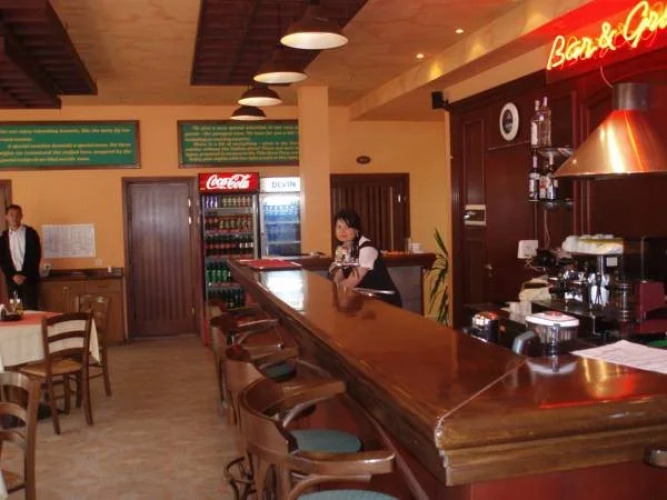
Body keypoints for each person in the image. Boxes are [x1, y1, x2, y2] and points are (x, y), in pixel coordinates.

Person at [329, 209, 402, 308]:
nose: (342, 231)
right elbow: (337, 277)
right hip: (364, 301)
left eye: (347, 227)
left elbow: (352, 281)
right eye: (339, 227)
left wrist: (332, 294)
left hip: (384, 301)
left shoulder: (367, 248)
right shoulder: (341, 249)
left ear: (357, 229)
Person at [0, 204, 42, 310]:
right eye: (11, 215)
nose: (14, 218)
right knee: (16, 310)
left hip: (29, 278)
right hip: (12, 280)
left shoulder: (31, 234)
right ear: (6, 217)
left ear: (21, 216)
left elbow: (36, 256)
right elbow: (2, 260)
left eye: (17, 215)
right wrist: (13, 275)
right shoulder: (3, 237)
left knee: (31, 308)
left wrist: (24, 275)